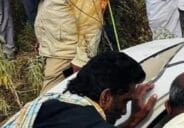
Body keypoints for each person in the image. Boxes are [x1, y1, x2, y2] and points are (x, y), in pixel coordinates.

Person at [28, 0, 108, 93]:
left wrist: (81, 59)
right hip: (57, 51)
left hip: (67, 55)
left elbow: (90, 24)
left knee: (48, 100)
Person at [5, 51, 156, 128]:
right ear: (106, 96)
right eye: (125, 101)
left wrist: (131, 122)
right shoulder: (85, 120)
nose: (124, 111)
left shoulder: (51, 103)